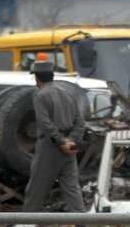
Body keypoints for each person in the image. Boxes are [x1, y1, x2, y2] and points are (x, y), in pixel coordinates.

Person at [22, 54, 86, 213]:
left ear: (37, 78)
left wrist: (61, 142)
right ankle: (81, 222)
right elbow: (80, 122)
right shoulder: (67, 93)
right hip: (69, 147)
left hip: (50, 147)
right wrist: (71, 141)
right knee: (72, 189)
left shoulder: (40, 95)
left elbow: (45, 124)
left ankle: (26, 223)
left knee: (36, 188)